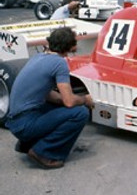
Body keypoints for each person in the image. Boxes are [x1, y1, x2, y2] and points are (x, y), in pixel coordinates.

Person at [5, 28, 93, 169]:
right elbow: (69, 102)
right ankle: (44, 152)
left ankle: (28, 143)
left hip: (15, 121)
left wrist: (64, 100)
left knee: (59, 106)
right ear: (69, 47)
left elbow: (48, 94)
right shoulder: (59, 63)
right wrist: (85, 99)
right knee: (80, 113)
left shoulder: (38, 57)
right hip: (25, 124)